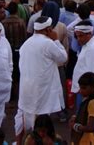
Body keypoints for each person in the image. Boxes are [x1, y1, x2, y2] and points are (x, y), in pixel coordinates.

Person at [14, 16, 68, 145]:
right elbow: (62, 58)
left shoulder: (26, 43)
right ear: (48, 29)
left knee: (27, 117)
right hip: (42, 90)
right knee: (40, 122)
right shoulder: (48, 43)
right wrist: (56, 40)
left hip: (27, 88)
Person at [72, 20, 94, 101]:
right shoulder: (87, 45)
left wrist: (86, 96)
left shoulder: (93, 49)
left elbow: (92, 75)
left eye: (81, 36)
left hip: (86, 93)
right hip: (83, 90)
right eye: (77, 36)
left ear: (89, 33)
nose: (78, 39)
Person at [69, 72, 94, 145]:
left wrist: (75, 126)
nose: (80, 91)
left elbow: (91, 127)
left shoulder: (93, 103)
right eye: (80, 87)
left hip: (87, 140)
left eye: (84, 88)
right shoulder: (86, 99)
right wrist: (75, 117)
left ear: (93, 87)